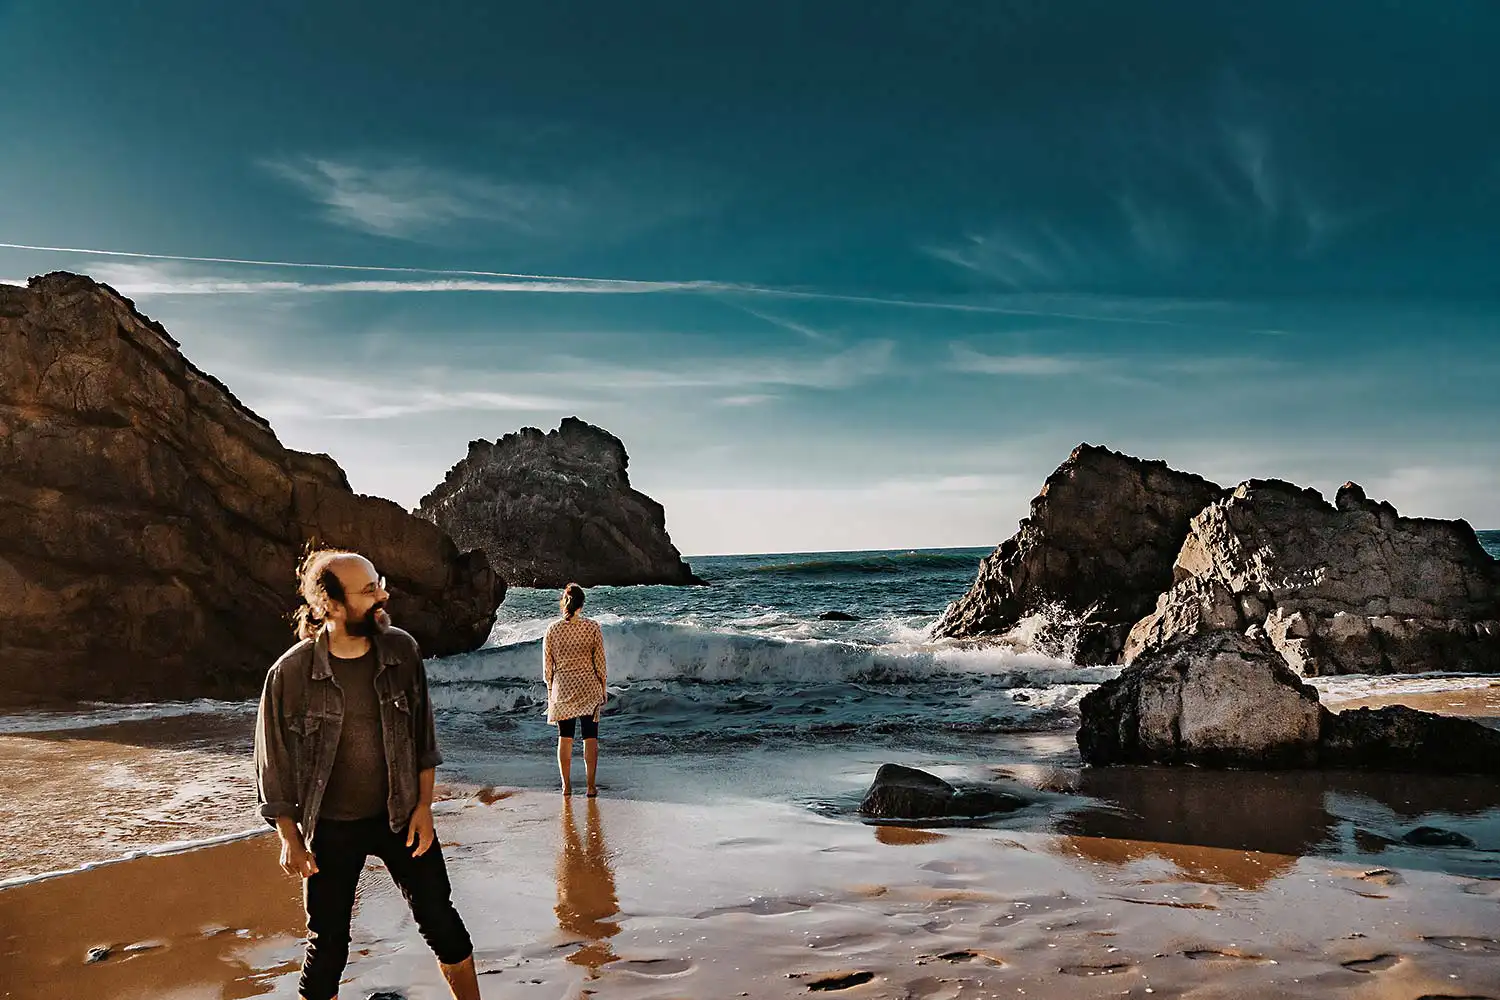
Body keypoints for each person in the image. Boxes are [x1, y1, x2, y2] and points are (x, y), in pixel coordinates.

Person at [254, 546, 482, 1000]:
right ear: (331, 605)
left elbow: (423, 737)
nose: (383, 595)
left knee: (442, 921)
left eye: (379, 583)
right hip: (332, 825)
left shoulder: (401, 651)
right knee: (327, 944)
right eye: (369, 590)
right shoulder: (291, 673)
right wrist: (289, 837)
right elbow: (271, 759)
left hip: (400, 816)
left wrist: (424, 807)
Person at [543, 583, 608, 797]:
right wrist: (603, 686)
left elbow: (547, 667)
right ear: (582, 604)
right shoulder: (593, 627)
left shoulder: (552, 629)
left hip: (563, 687)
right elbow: (599, 662)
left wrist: (550, 690)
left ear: (564, 603)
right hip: (588, 686)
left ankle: (566, 786)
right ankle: (590, 786)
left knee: (565, 736)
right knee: (590, 736)